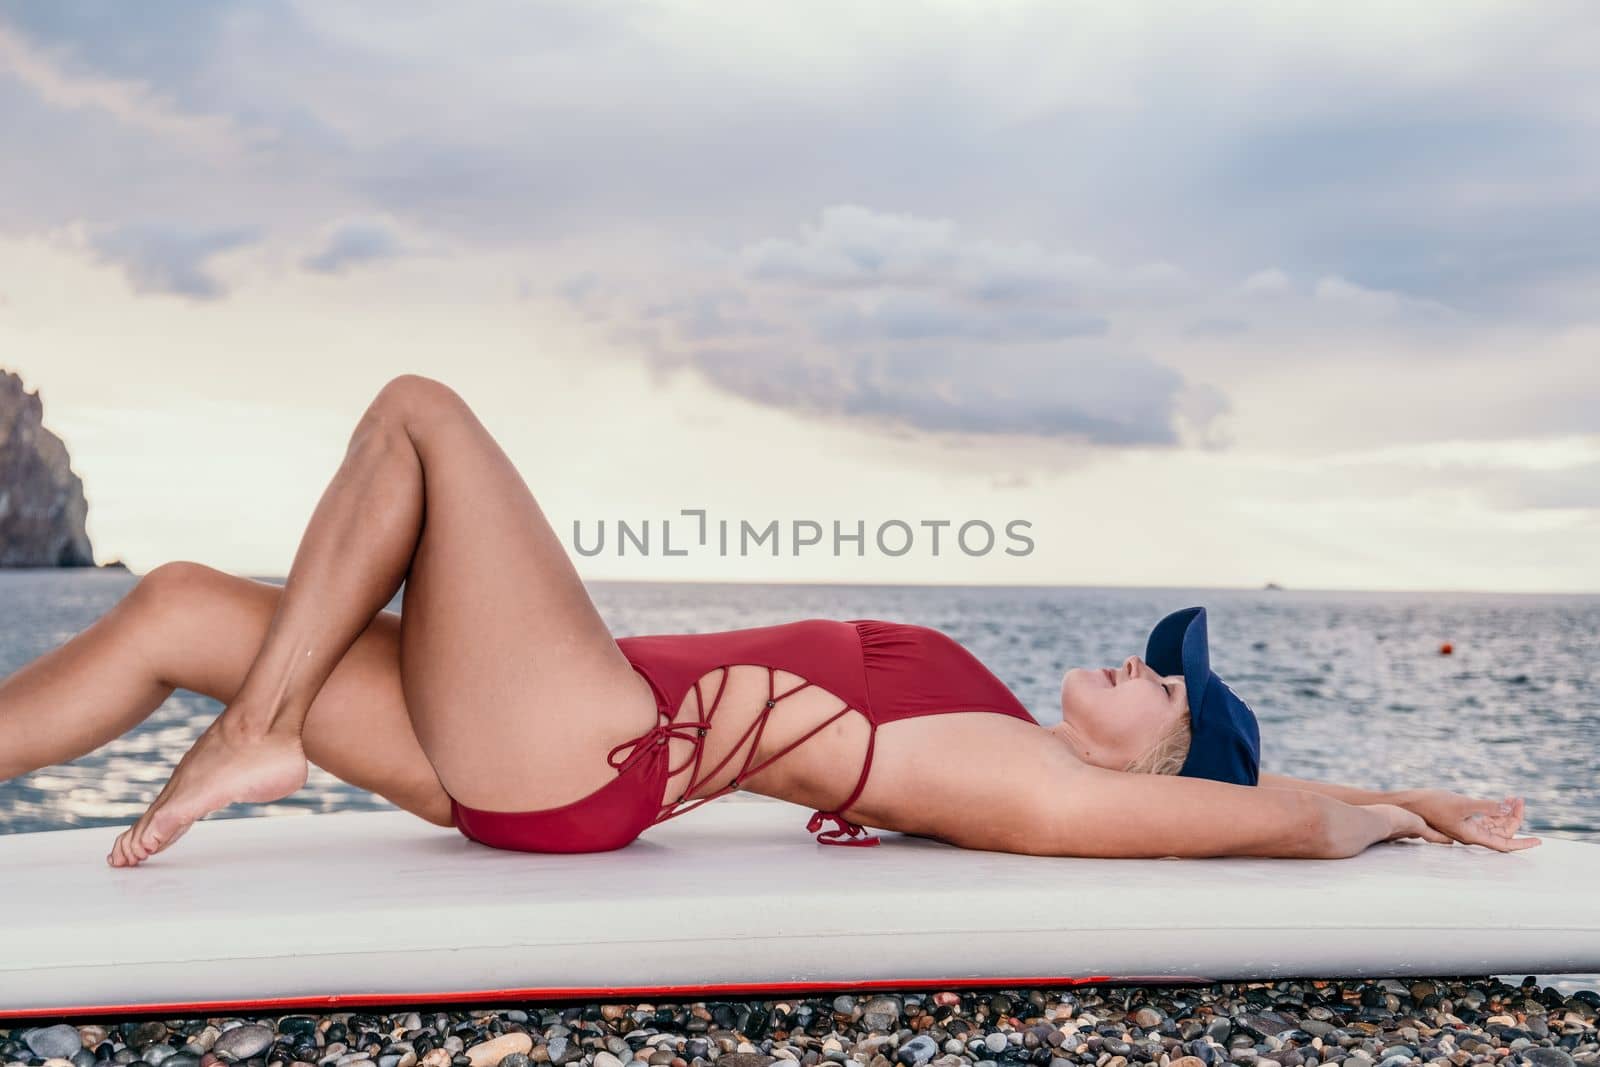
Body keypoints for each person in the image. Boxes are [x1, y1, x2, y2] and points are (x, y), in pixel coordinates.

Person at [0, 376, 1541, 866]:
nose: (1137, 664)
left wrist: (1391, 815)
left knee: (420, 417)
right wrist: (1384, 785)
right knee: (182, 602)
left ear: (1154, 772)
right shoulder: (992, 715)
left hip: (580, 749)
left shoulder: (1042, 791)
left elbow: (1269, 830)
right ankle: (244, 714)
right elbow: (1258, 798)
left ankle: (258, 737)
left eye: (1162, 688)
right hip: (533, 732)